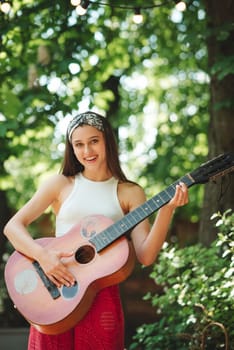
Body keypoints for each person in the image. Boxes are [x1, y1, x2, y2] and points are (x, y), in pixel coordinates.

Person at [4, 111, 189, 350]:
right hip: (55, 291)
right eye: (79, 144)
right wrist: (44, 257)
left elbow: (145, 255)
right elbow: (13, 227)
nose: (87, 151)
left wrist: (166, 210)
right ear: (71, 148)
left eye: (94, 141)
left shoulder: (130, 192)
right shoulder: (61, 184)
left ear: (107, 142)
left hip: (101, 294)